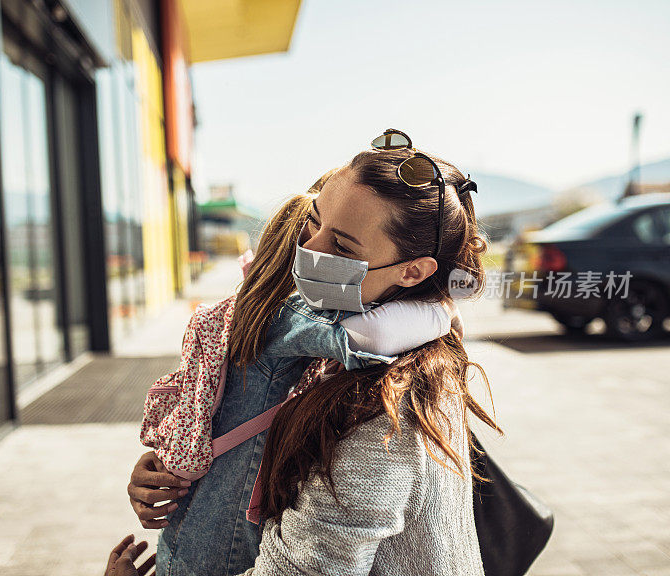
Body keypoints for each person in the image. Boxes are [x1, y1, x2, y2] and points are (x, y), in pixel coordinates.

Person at [129, 138, 498, 574]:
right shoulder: (353, 333)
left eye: (342, 247)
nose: (309, 250)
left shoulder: (386, 402)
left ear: (412, 271)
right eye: (314, 222)